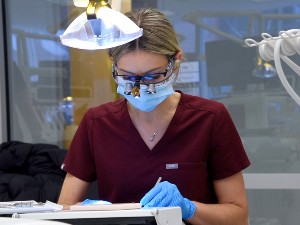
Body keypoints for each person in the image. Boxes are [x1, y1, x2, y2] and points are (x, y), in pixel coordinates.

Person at [58, 8, 251, 225]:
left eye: (152, 76)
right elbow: (64, 208)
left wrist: (188, 208)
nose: (139, 89)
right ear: (114, 66)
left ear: (175, 62)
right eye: (128, 77)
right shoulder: (97, 123)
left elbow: (238, 217)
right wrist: (88, 211)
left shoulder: (210, 119)